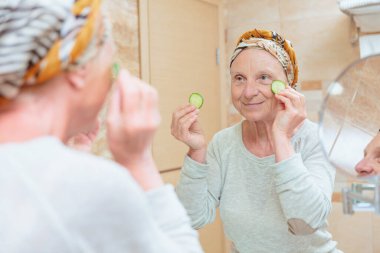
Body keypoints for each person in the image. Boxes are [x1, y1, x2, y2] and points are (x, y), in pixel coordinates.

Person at [0, 1, 203, 252]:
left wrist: (73, 157)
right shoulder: (94, 185)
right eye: (110, 63)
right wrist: (138, 161)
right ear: (80, 69)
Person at [171, 29, 340, 252]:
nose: (249, 92)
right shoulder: (223, 144)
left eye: (263, 77)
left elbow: (305, 224)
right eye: (239, 79)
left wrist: (280, 136)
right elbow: (192, 218)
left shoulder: (314, 139)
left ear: (288, 85)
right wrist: (197, 151)